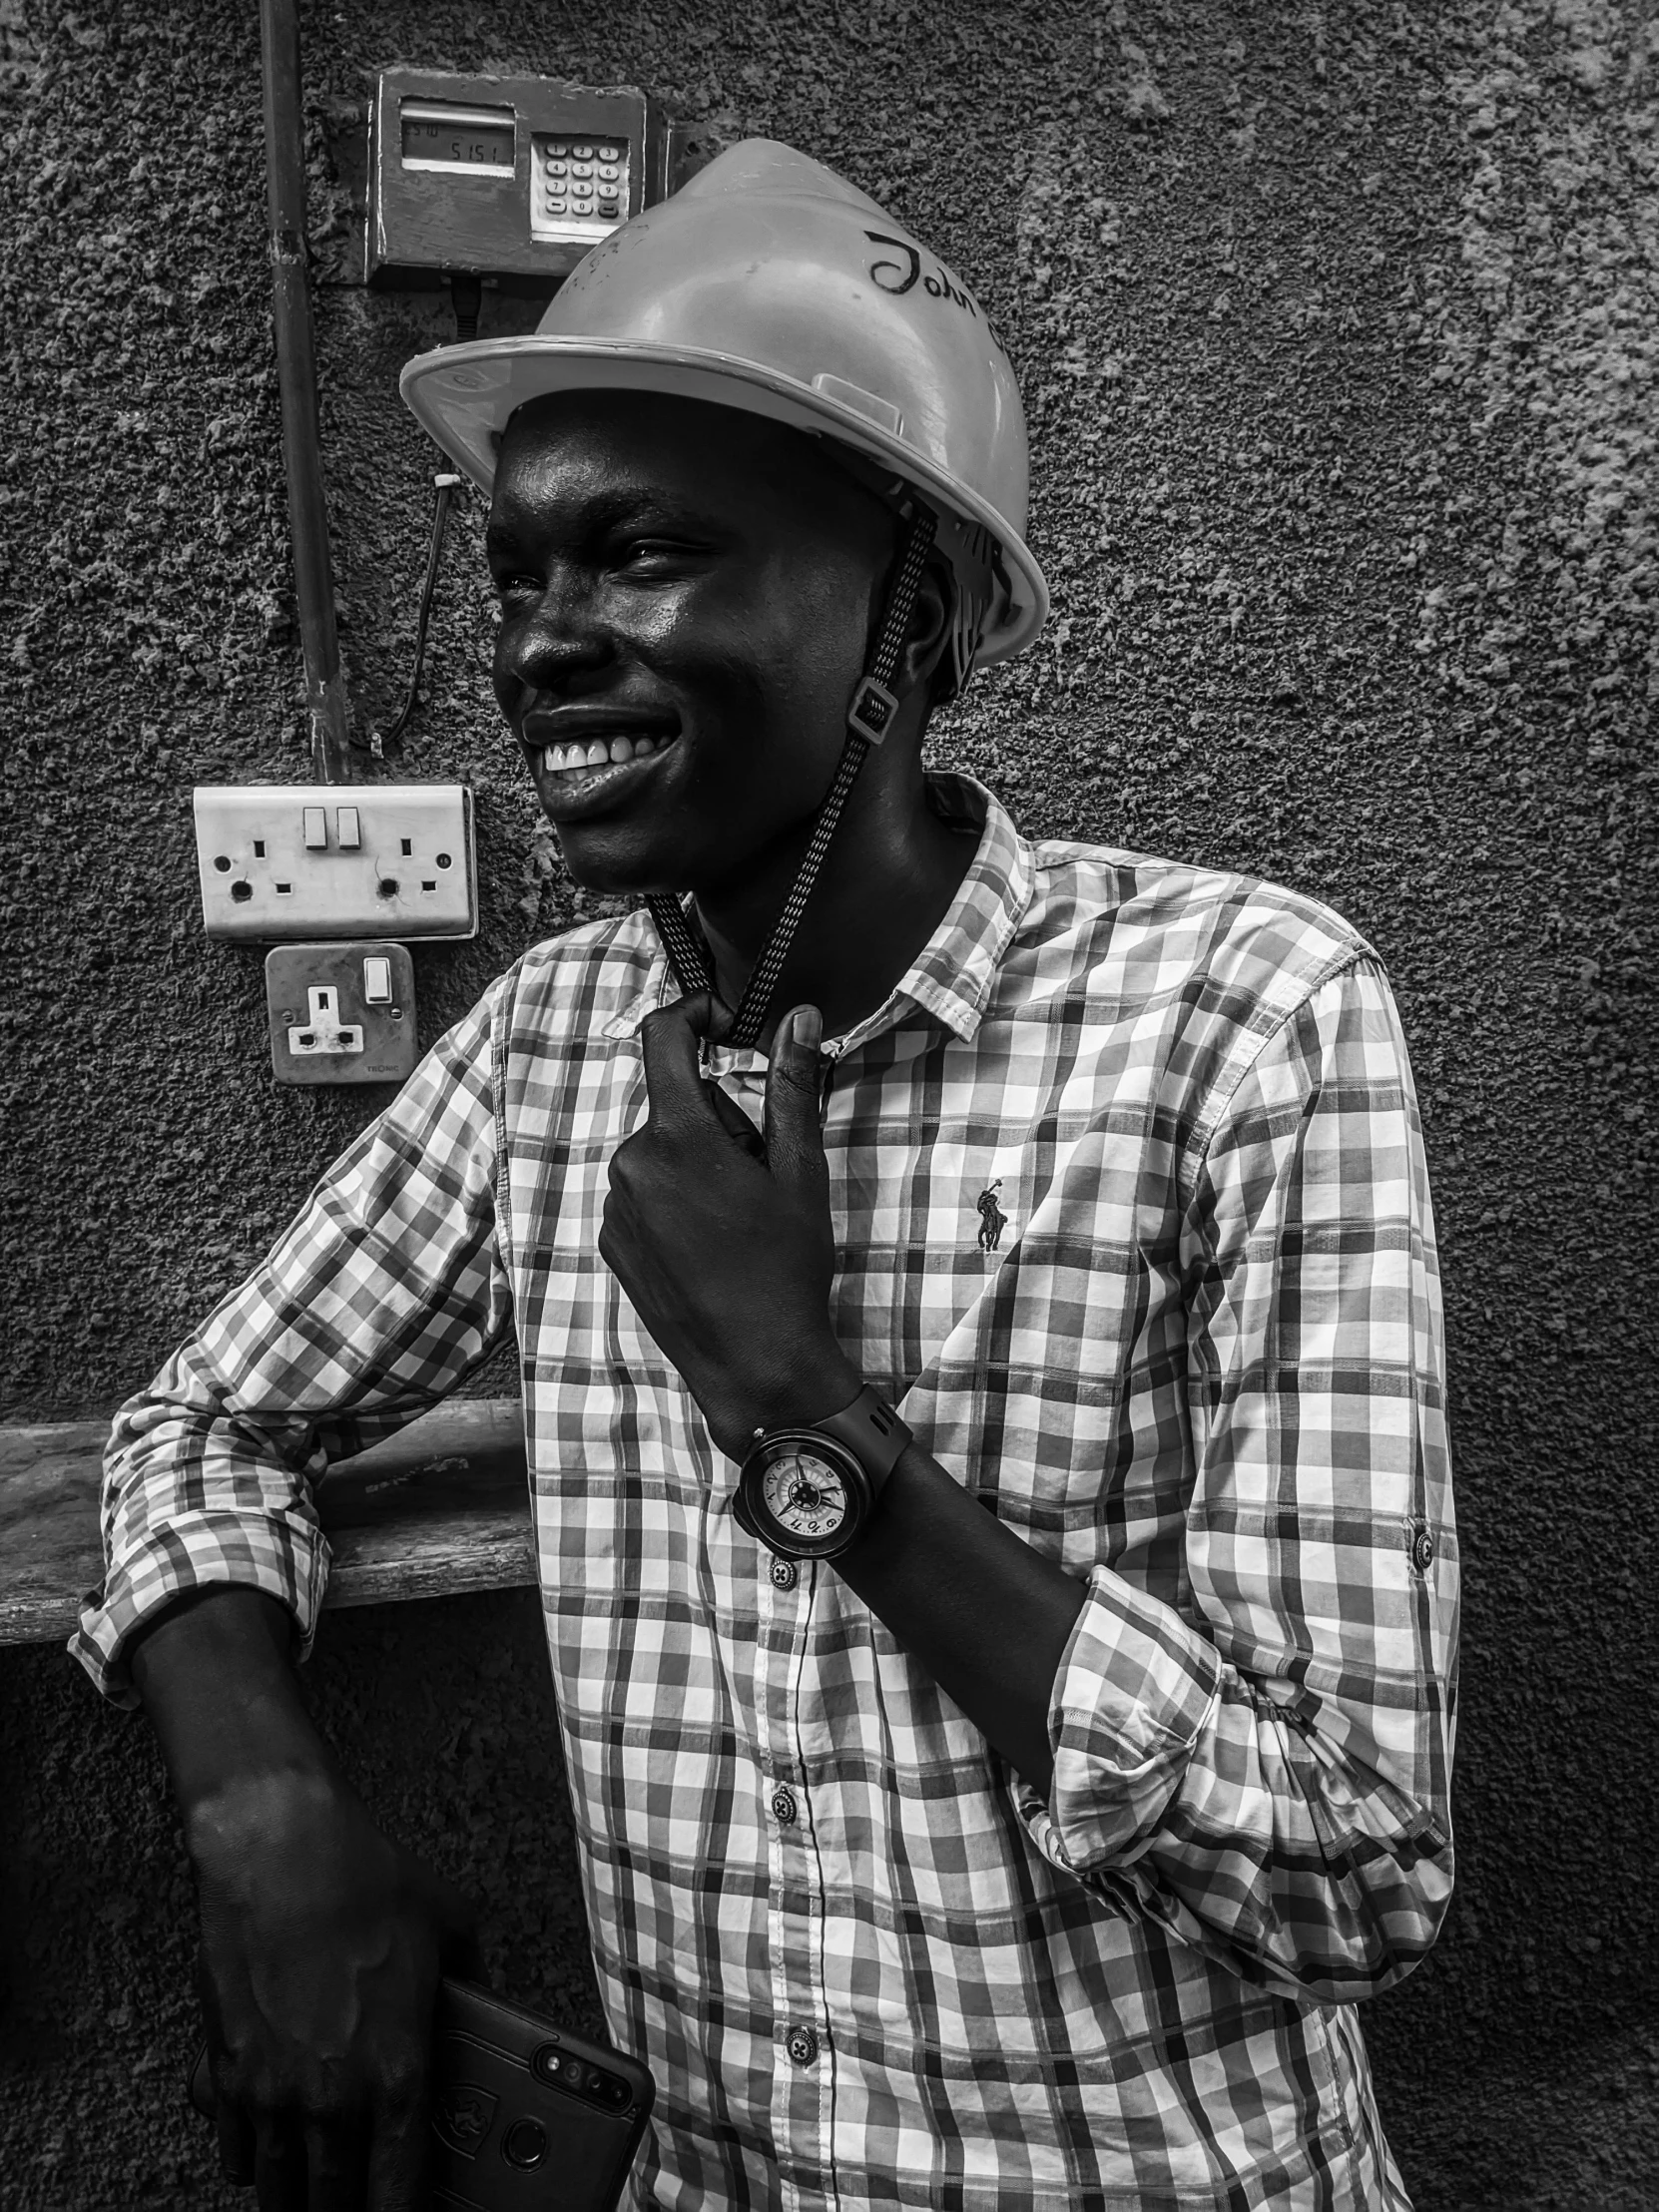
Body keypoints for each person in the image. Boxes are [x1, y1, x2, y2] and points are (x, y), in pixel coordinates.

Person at [73, 142, 1457, 2211]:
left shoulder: (1245, 1016)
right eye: (516, 577)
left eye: (639, 554)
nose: (545, 640)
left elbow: (1352, 1861)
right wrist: (263, 1810)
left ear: (908, 608)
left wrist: (810, 1429)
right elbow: (206, 1422)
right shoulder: (552, 1046)